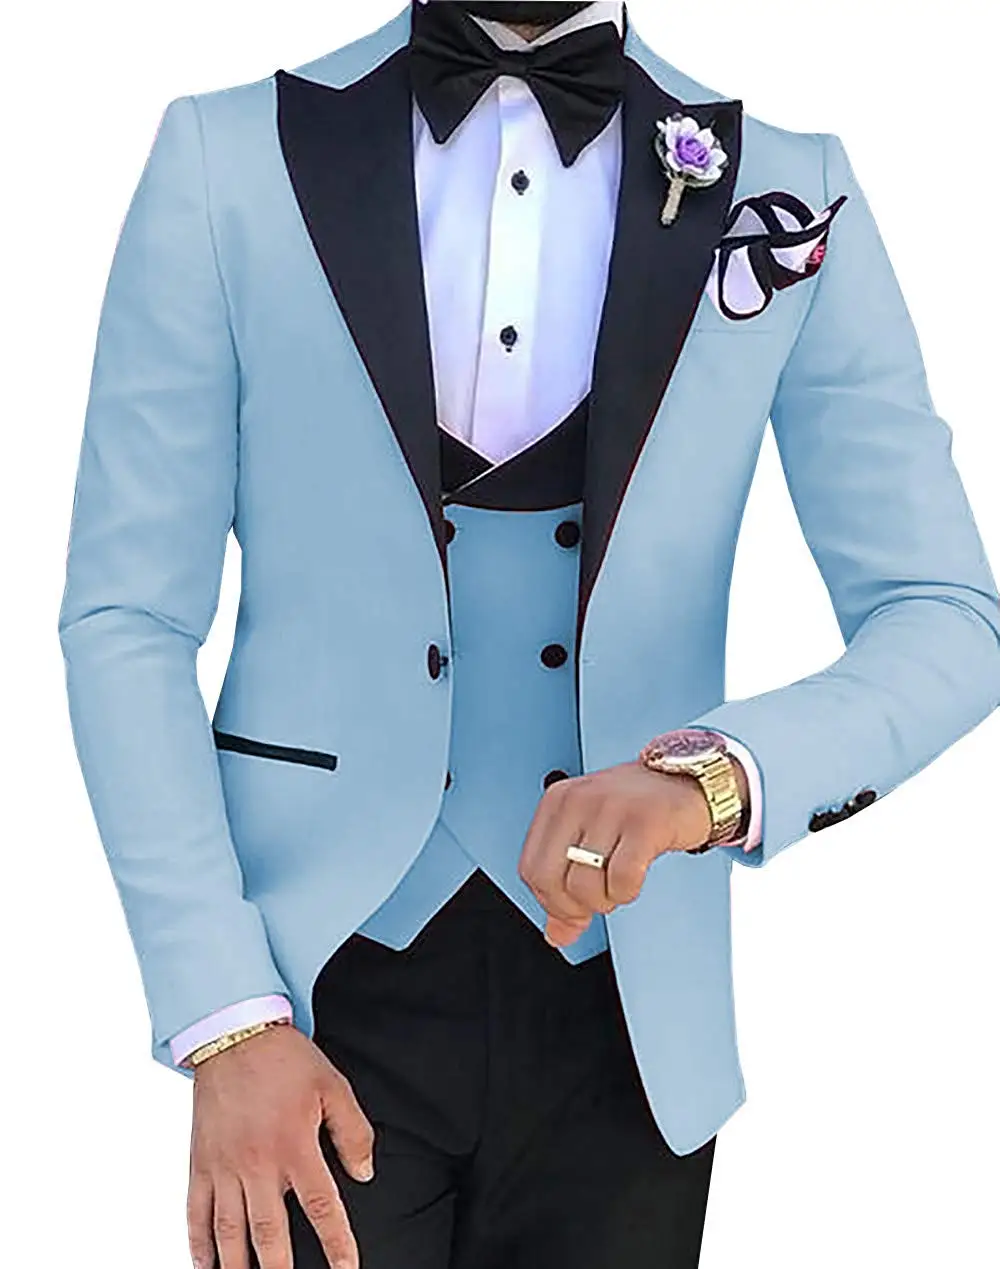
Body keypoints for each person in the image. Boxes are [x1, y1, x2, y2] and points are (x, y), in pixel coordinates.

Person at [57, 3, 1000, 1268]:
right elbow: (128, 615)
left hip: (632, 1012)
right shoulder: (226, 160)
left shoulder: (785, 186)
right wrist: (223, 1014)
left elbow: (945, 612)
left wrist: (709, 781)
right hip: (309, 997)